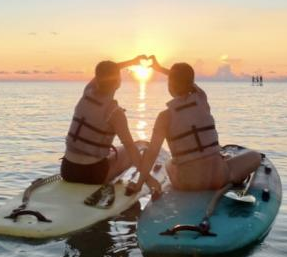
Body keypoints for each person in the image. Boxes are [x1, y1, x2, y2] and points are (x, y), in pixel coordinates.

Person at [130, 56, 261, 193]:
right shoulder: (201, 99)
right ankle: (233, 177)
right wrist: (162, 69)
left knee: (169, 163)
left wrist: (139, 184)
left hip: (186, 183)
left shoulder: (164, 117)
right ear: (191, 82)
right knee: (255, 156)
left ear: (170, 85)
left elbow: (151, 154)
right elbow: (186, 81)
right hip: (217, 177)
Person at [62, 55, 146, 185]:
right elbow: (129, 147)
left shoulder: (87, 93)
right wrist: (148, 180)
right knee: (139, 145)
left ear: (97, 78)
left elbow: (105, 72)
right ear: (118, 81)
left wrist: (132, 61)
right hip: (92, 175)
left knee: (114, 151)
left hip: (67, 170)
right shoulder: (115, 112)